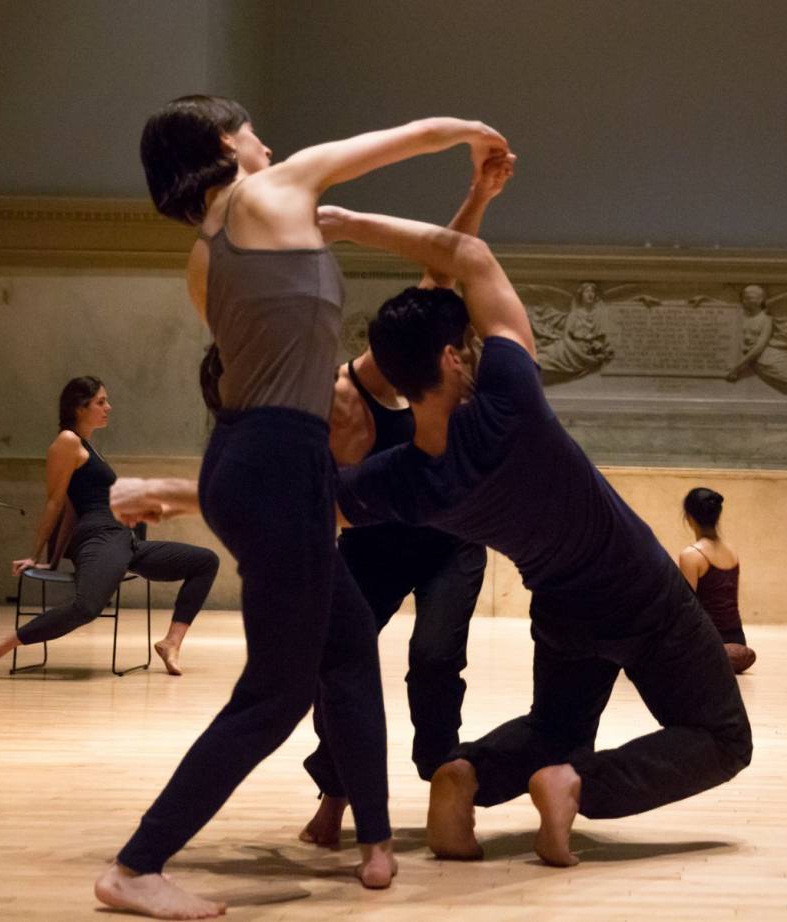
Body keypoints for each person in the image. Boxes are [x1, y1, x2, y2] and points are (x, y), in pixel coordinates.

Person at [96, 95, 509, 919]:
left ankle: (376, 838)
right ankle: (136, 865)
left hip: (254, 461)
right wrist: (469, 130)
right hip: (280, 463)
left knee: (349, 641)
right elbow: (396, 135)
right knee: (277, 694)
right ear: (223, 142)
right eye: (248, 128)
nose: (266, 138)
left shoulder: (204, 253)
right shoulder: (275, 192)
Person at [325, 206, 753, 869]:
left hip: (561, 606)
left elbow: (314, 507)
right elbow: (472, 258)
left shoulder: (406, 480)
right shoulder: (509, 401)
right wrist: (346, 221)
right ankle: (575, 786)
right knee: (723, 739)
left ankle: (467, 774)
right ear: (450, 356)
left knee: (557, 729)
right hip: (640, 589)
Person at [298, 151, 513, 850]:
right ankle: (337, 789)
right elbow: (331, 494)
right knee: (341, 657)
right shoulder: (340, 399)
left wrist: (477, 193)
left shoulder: (425, 353)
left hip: (449, 539)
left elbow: (444, 262)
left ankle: (439, 777)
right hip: (374, 542)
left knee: (432, 657)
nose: (451, 360)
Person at [0, 377, 220, 679]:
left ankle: (171, 643)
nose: (108, 407)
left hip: (121, 539)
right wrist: (37, 555)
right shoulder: (66, 442)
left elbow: (70, 509)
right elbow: (56, 503)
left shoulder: (86, 446)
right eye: (100, 402)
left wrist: (54, 559)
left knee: (205, 561)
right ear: (80, 407)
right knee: (86, 607)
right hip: (100, 535)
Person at [677, 487, 756, 674]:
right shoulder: (732, 551)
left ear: (688, 517)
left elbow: (686, 609)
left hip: (708, 642)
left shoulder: (691, 555)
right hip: (738, 641)